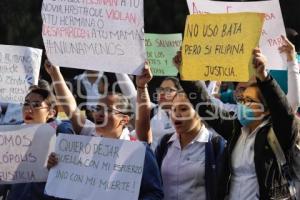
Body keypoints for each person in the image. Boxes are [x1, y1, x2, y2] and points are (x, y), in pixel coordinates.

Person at [173, 45, 299, 199]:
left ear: (265, 108)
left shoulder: (277, 135)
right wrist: (186, 72)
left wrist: (264, 78)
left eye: (250, 101)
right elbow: (206, 106)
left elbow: (284, 113)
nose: (243, 105)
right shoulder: (235, 130)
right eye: (242, 100)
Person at [45, 60, 164, 200]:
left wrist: (142, 86)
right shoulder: (89, 135)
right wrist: (55, 73)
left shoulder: (136, 147)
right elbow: (71, 108)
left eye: (108, 110)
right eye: (98, 108)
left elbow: (154, 194)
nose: (100, 114)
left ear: (124, 120)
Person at [135, 65, 228, 200]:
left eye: (184, 109)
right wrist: (142, 87)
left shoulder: (215, 146)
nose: (177, 114)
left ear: (199, 113)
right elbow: (143, 135)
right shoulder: (165, 144)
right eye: (174, 109)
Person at [3, 82, 73, 200]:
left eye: (36, 105)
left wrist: (57, 163)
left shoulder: (61, 131)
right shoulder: (12, 135)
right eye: (26, 104)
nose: (28, 110)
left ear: (51, 112)